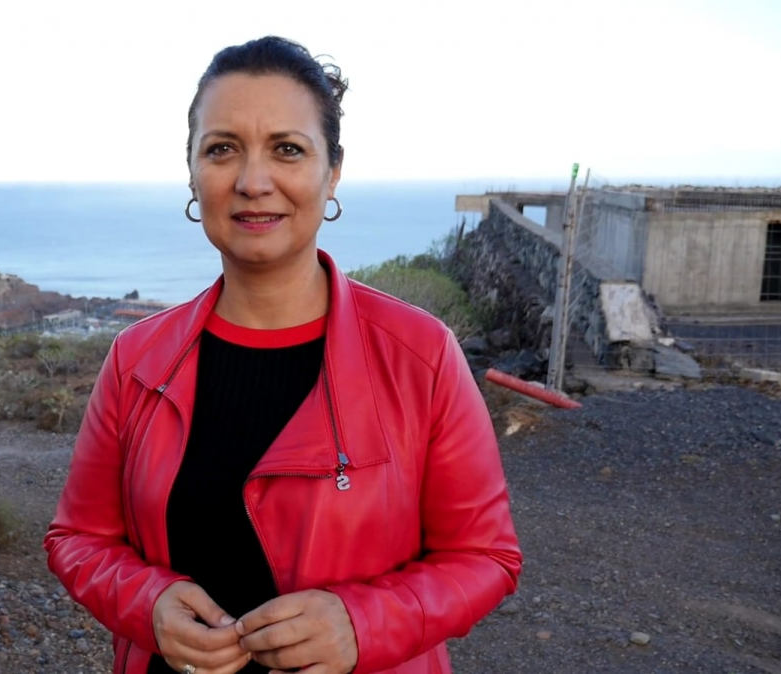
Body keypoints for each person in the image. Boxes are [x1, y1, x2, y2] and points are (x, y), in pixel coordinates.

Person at [44, 35, 522, 674]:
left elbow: (486, 557)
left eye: (288, 150)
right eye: (222, 150)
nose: (252, 181)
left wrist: (362, 623)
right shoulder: (137, 359)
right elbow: (79, 539)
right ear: (191, 172)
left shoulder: (421, 355)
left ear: (332, 174)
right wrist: (147, 604)